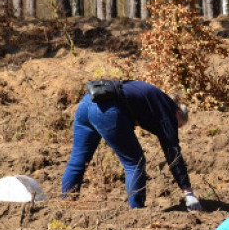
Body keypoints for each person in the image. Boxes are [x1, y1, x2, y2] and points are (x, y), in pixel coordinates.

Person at [61, 80, 202, 211]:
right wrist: (188, 192)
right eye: (179, 125)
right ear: (178, 113)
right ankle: (136, 212)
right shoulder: (167, 112)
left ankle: (66, 206)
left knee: (77, 161)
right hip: (107, 109)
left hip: (89, 101)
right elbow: (173, 152)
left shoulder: (157, 100)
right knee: (135, 162)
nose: (175, 129)